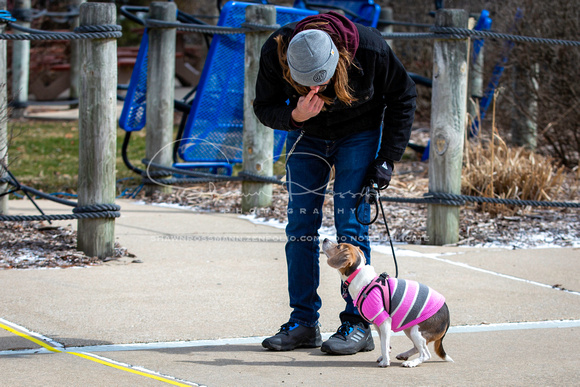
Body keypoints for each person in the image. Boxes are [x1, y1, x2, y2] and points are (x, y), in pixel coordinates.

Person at [253, 11, 417, 354]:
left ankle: (358, 323)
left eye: (321, 80)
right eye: (305, 83)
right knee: (299, 226)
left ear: (338, 59)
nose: (314, 89)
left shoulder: (370, 48)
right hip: (305, 135)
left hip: (358, 134)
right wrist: (294, 115)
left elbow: (403, 96)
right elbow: (264, 106)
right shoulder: (276, 49)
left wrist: (387, 157)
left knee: (351, 227)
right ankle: (303, 323)